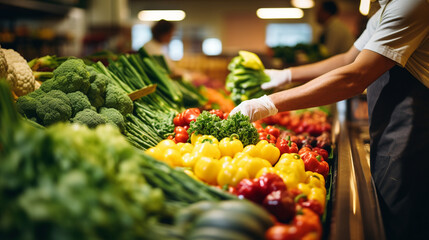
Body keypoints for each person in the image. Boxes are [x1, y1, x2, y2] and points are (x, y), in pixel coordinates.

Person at [230, 0, 429, 239]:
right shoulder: (383, 9)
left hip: (412, 133)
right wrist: (286, 75)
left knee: (401, 221)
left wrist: (268, 104)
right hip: (391, 128)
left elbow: (355, 77)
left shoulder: (410, 3)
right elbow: (347, 60)